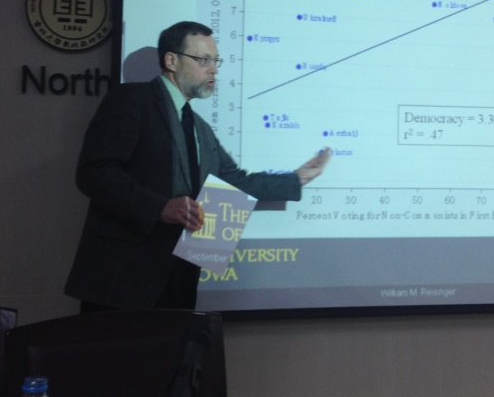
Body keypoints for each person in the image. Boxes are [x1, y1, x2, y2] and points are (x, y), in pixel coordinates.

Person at [64, 21, 330, 311]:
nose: (213, 69)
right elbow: (95, 172)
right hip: (121, 279)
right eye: (203, 60)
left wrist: (297, 178)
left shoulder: (200, 128)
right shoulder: (131, 99)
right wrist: (159, 207)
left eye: (216, 61)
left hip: (180, 278)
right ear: (171, 61)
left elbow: (234, 182)